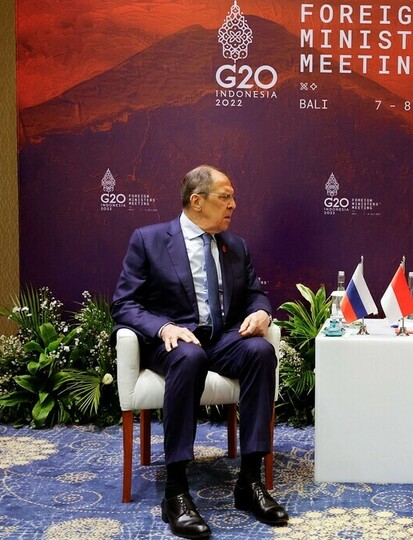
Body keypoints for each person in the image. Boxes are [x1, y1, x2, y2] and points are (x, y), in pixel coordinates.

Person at [111, 165, 288, 538]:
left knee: (259, 352)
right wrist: (164, 327)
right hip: (172, 341)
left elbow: (255, 293)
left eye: (232, 197)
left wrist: (261, 312)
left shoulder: (235, 246)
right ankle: (176, 491)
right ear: (197, 201)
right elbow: (124, 304)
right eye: (225, 197)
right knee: (190, 357)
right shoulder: (149, 240)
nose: (233, 205)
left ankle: (250, 481)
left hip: (221, 337)